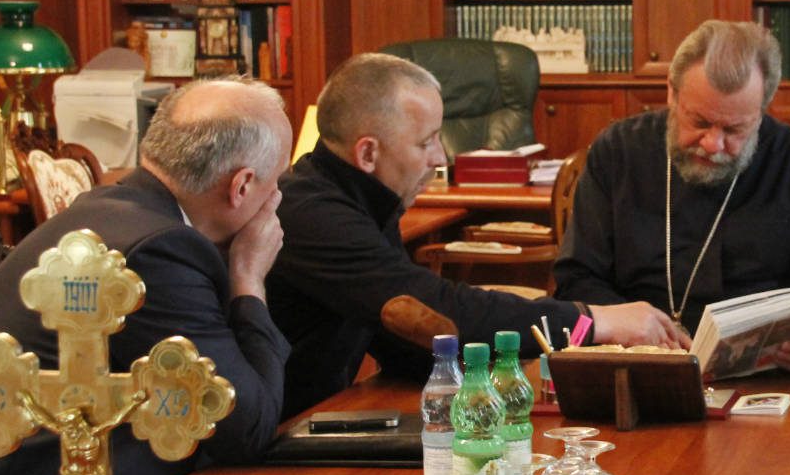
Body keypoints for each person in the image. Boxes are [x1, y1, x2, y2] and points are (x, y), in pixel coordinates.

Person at [0, 77, 294, 475]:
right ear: (243, 186)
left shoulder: (121, 214)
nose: (277, 200)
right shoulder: (157, 250)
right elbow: (248, 427)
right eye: (276, 183)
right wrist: (248, 277)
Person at [265, 53, 685, 418]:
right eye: (427, 142)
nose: (441, 157)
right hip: (269, 446)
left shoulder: (360, 194)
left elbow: (410, 339)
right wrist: (592, 322)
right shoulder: (312, 215)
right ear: (368, 153)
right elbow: (438, 310)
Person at [554, 20, 790, 370]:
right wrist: (625, 327)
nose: (713, 144)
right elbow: (576, 280)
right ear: (672, 93)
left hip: (770, 383)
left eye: (734, 129)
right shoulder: (618, 153)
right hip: (634, 369)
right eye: (699, 122)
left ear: (762, 111)